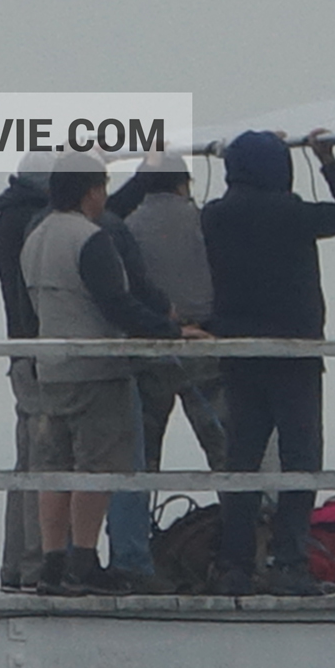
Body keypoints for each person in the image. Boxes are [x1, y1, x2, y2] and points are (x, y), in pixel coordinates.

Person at [19, 150, 199, 595]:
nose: (104, 197)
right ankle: (84, 561)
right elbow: (116, 304)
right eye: (101, 188)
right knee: (97, 469)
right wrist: (170, 330)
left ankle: (52, 563)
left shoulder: (36, 235)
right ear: (91, 191)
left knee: (54, 470)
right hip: (96, 370)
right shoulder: (91, 238)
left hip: (51, 367)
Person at [203, 129, 335, 597]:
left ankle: (234, 564)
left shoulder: (215, 218)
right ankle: (287, 561)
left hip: (238, 354)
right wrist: (329, 161)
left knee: (242, 462)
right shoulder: (291, 214)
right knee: (299, 460)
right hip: (294, 354)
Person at [100, 153, 229, 582]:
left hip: (148, 347)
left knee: (137, 462)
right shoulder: (208, 222)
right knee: (230, 454)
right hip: (205, 344)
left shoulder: (126, 227)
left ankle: (129, 560)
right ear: (183, 184)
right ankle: (244, 548)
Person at [0, 149, 56, 591]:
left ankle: (16, 566)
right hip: (41, 360)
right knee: (44, 460)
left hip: (22, 357)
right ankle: (36, 564)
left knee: (26, 464)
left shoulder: (8, 219)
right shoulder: (35, 224)